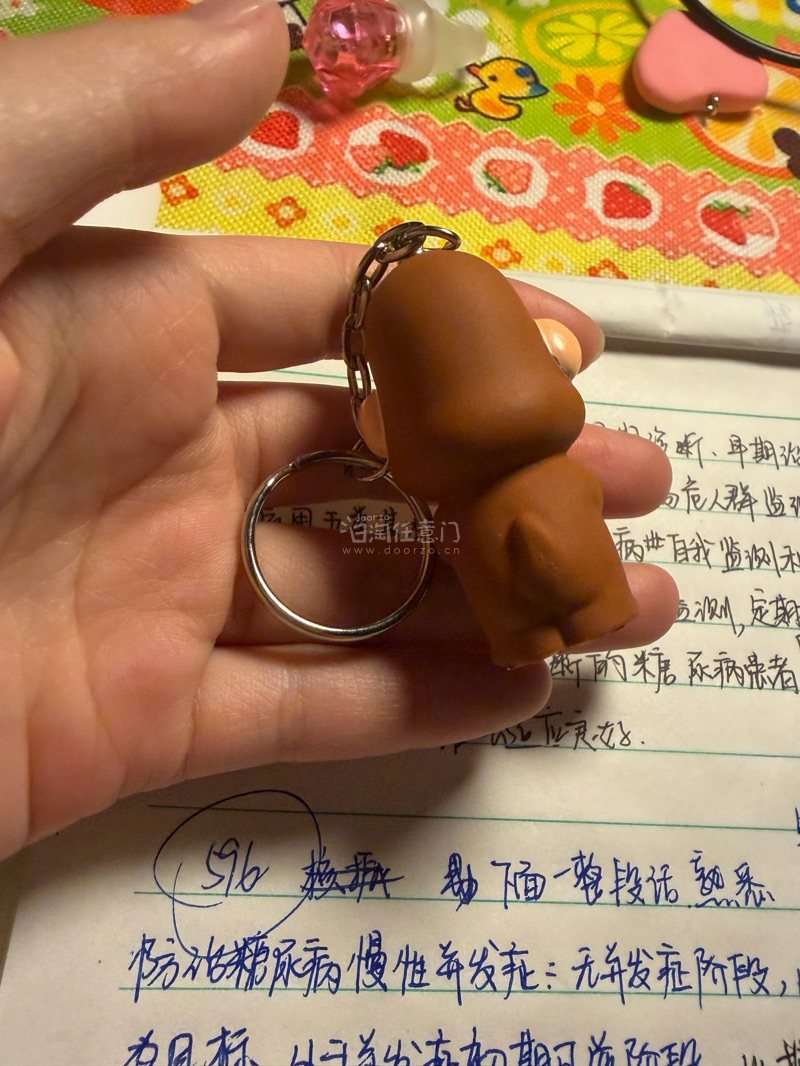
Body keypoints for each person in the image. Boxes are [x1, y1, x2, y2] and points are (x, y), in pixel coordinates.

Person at [0, 0, 677, 862]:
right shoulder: (469, 415)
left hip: (502, 510)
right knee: (523, 587)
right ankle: (552, 622)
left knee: (551, 578)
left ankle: (568, 616)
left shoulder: (505, 433)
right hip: (482, 520)